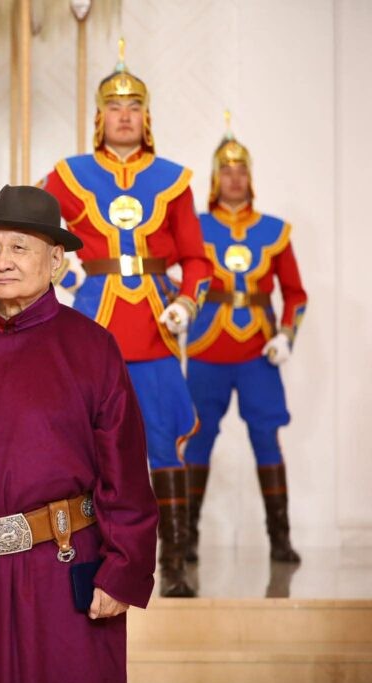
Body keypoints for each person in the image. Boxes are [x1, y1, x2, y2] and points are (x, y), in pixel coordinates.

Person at [0, 185, 158, 683]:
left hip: (61, 564)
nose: (2, 261)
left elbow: (125, 473)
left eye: (19, 247)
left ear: (55, 260)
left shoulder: (91, 346)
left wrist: (123, 570)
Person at [42, 39, 212, 596]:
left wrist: (187, 301)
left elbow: (196, 259)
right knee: (86, 447)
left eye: (133, 107)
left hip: (157, 329)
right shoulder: (69, 175)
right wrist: (67, 278)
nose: (124, 116)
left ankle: (176, 563)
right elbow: (40, 233)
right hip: (93, 326)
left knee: (164, 445)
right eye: (114, 107)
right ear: (100, 116)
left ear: (146, 117)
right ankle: (91, 558)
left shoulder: (174, 179)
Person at [184, 116, 307, 564]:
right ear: (215, 179)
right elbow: (172, 277)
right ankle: (185, 539)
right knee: (197, 439)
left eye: (241, 171)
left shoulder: (275, 230)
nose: (234, 178)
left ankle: (280, 540)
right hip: (206, 350)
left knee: (267, 439)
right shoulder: (194, 226)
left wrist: (287, 335)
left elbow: (295, 294)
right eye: (226, 170)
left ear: (250, 178)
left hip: (259, 353)